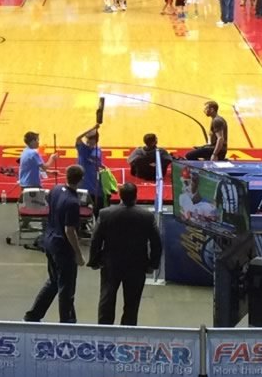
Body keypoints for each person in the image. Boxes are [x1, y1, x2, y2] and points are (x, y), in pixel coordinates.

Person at [91, 183, 161, 326]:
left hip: (111, 264)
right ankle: (127, 333)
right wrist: (153, 264)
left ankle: (104, 332)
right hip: (137, 265)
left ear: (120, 195)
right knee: (132, 304)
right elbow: (156, 242)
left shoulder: (105, 214)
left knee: (107, 298)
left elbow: (96, 239)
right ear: (136, 196)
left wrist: (94, 260)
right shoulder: (146, 216)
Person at [25, 165, 86, 324]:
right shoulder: (73, 202)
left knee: (53, 281)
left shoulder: (56, 189)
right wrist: (78, 254)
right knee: (66, 288)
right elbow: (69, 230)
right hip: (63, 249)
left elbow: (49, 203)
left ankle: (33, 315)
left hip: (49, 242)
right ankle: (67, 322)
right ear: (81, 180)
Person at [17, 130, 51, 205]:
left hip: (24, 184)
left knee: (27, 206)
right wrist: (52, 158)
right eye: (37, 140)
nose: (38, 142)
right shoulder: (33, 153)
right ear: (32, 141)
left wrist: (50, 172)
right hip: (33, 185)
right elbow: (45, 167)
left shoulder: (25, 151)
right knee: (45, 203)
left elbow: (31, 166)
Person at [75, 125, 103, 203]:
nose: (88, 140)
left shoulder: (98, 150)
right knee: (83, 207)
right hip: (82, 185)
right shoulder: (82, 148)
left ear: (95, 139)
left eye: (91, 138)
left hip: (94, 186)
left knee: (94, 207)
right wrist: (92, 128)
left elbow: (98, 163)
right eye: (87, 138)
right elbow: (78, 138)